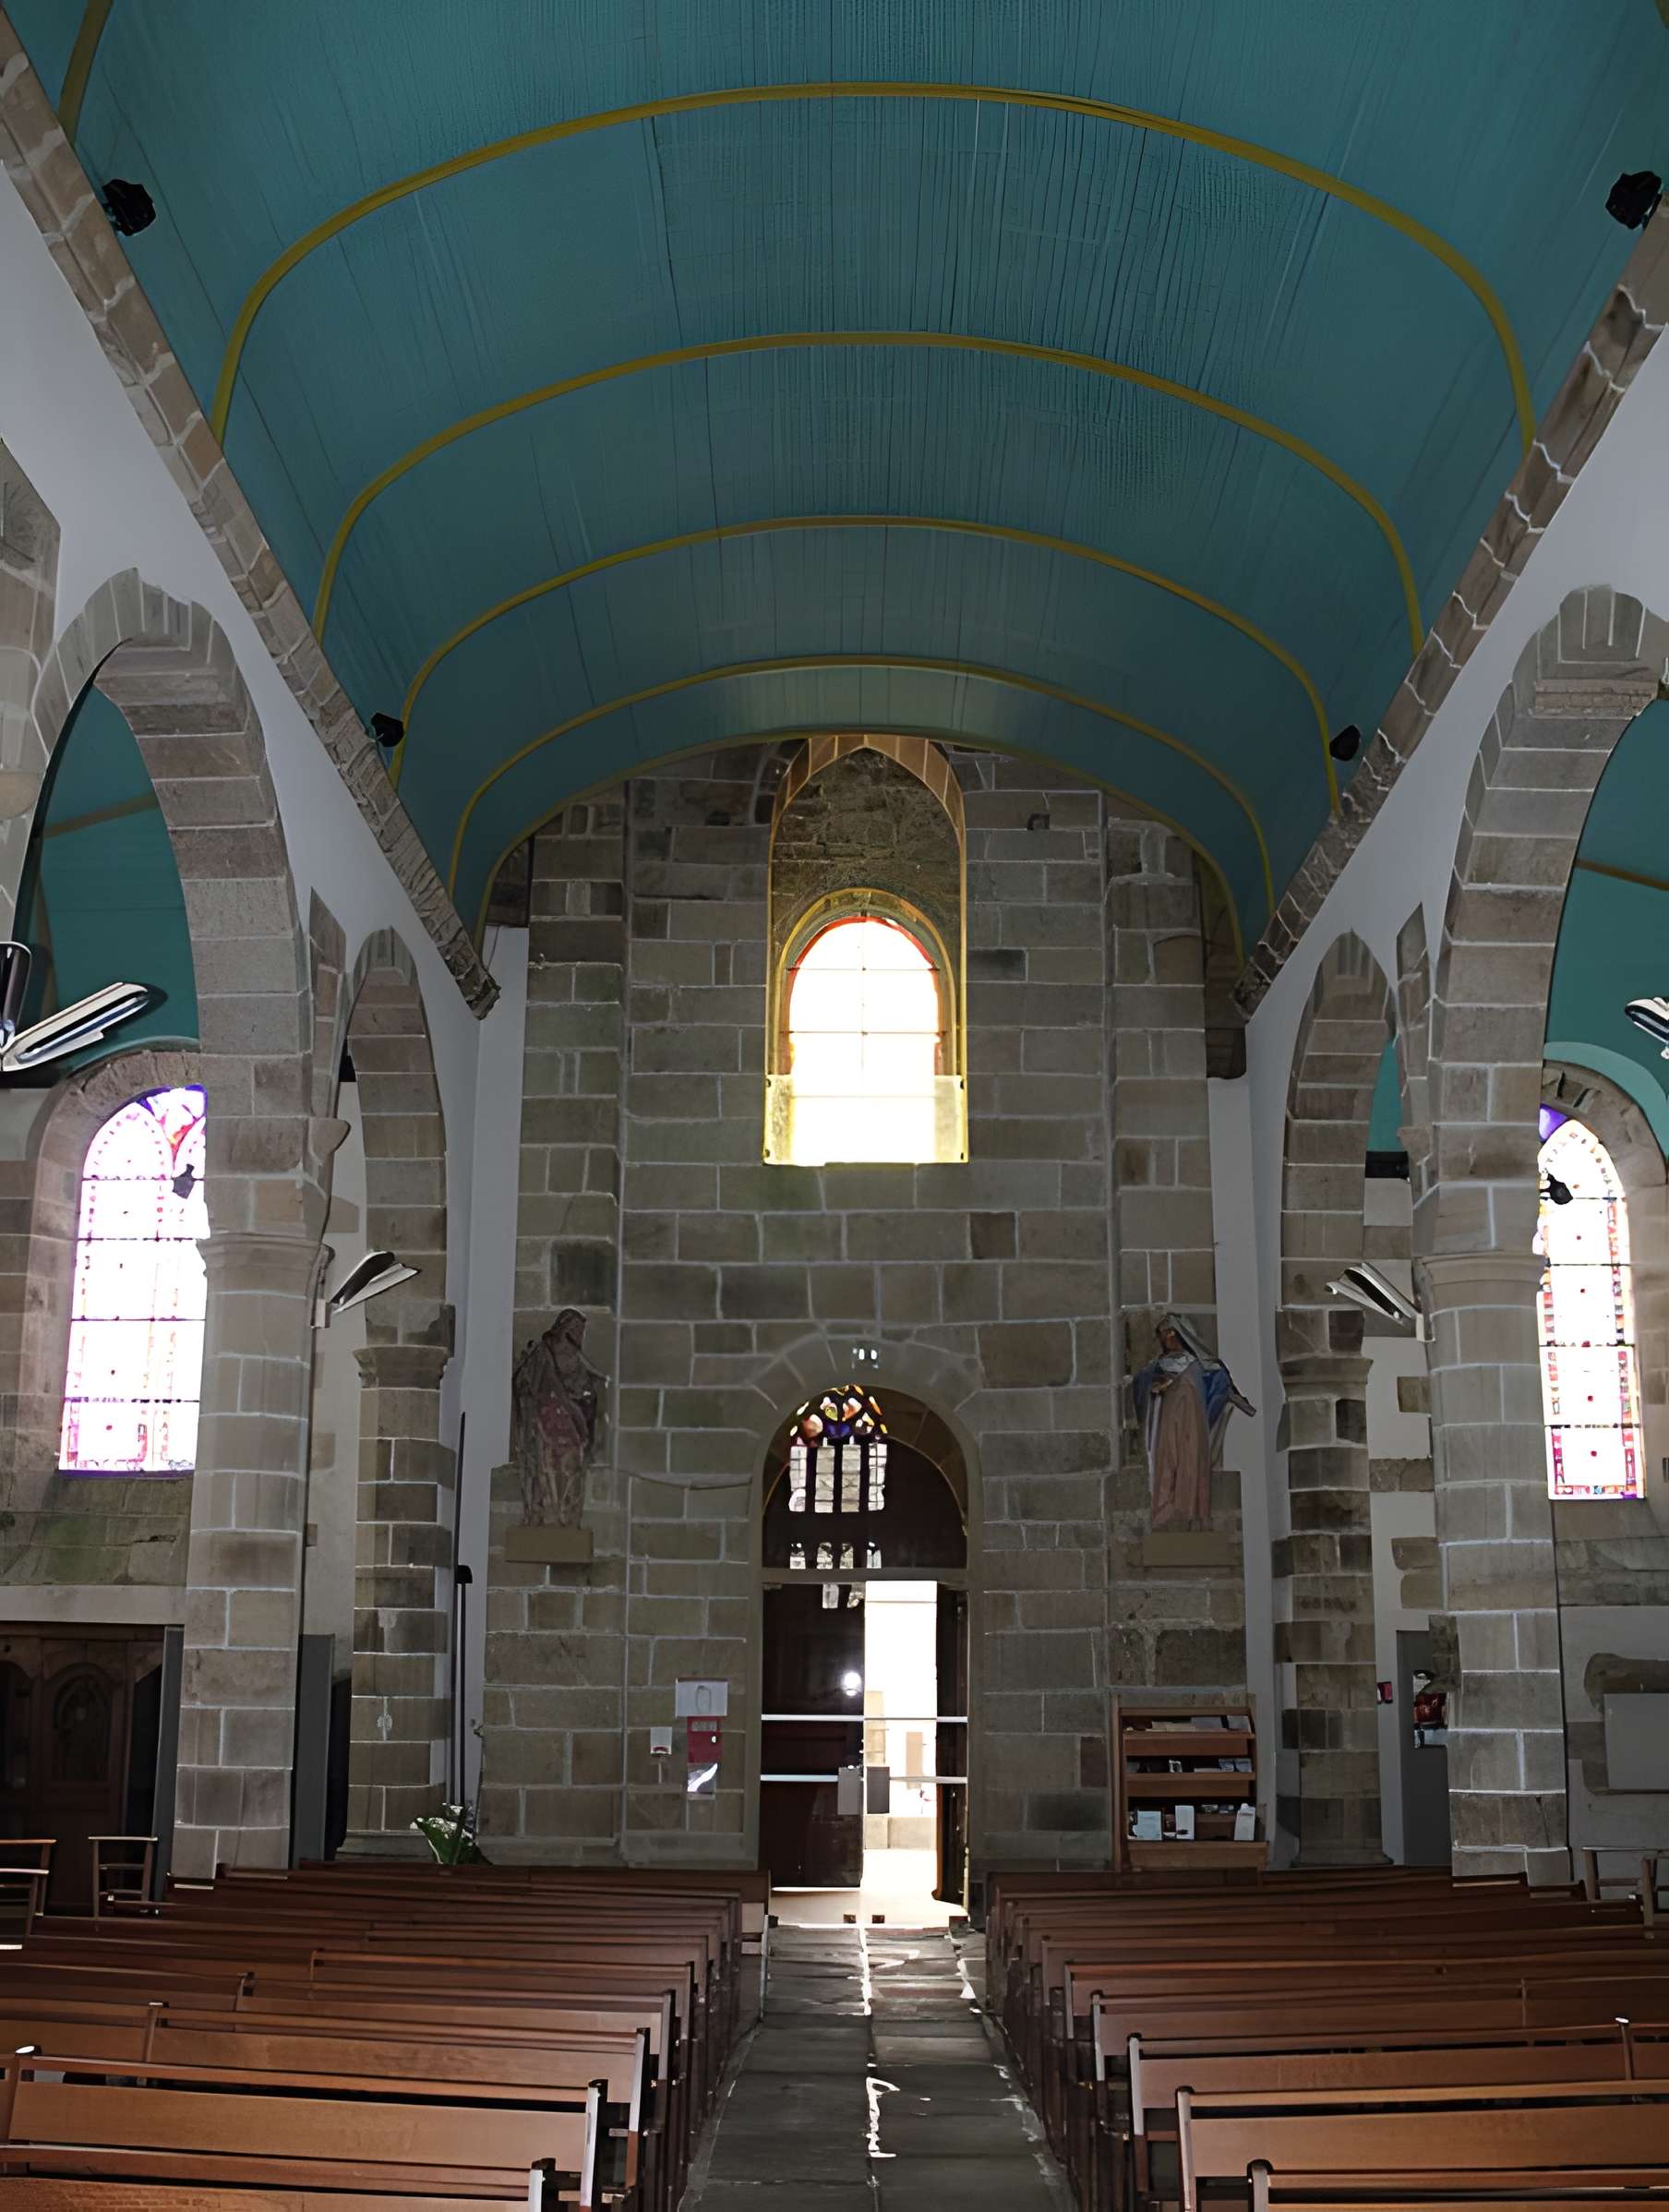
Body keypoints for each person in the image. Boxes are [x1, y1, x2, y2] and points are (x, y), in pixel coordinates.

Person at [1131, 1314, 1255, 1529]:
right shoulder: (1158, 1367)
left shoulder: (1197, 1367)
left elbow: (1217, 1384)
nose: (1166, 1339)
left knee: (1188, 1461)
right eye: (1163, 1335)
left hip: (1189, 1423)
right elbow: (1143, 1387)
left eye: (1170, 1333)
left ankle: (1186, 1511)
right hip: (1165, 1422)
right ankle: (1166, 1510)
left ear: (1180, 1335)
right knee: (1166, 1461)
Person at [510, 1307, 604, 1527]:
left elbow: (587, 1380)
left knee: (571, 1465)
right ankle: (546, 1511)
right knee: (546, 1467)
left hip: (568, 1421)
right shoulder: (543, 1353)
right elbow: (545, 1383)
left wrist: (587, 1393)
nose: (580, 1335)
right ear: (565, 1328)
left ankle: (566, 1514)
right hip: (546, 1419)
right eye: (577, 1329)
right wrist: (569, 1406)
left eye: (582, 1330)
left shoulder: (575, 1356)